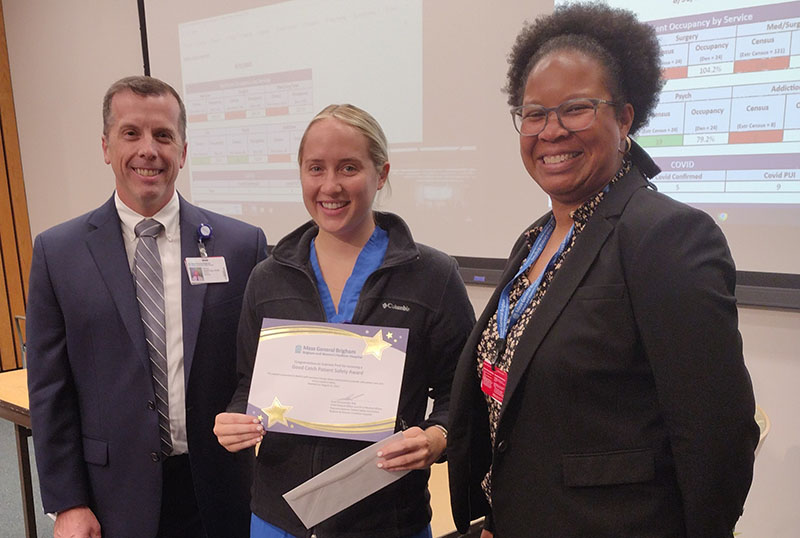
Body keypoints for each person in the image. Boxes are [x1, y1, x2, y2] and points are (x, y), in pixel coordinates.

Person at [447, 4, 759, 537]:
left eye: (576, 109)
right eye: (535, 113)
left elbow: (717, 435)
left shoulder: (665, 236)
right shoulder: (535, 238)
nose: (551, 131)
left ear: (626, 119)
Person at [214, 104, 475, 538]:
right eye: (315, 168)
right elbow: (249, 382)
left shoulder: (433, 276)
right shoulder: (268, 277)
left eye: (349, 167)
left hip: (388, 520)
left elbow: (462, 395)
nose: (330, 185)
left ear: (382, 173)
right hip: (279, 519)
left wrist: (436, 438)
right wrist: (234, 418)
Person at [26, 75, 267, 538]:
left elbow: (256, 365)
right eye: (131, 133)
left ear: (182, 149)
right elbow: (50, 389)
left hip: (219, 487)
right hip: (112, 493)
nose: (148, 150)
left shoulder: (240, 245)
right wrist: (68, 502)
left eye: (163, 135)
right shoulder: (58, 253)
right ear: (105, 145)